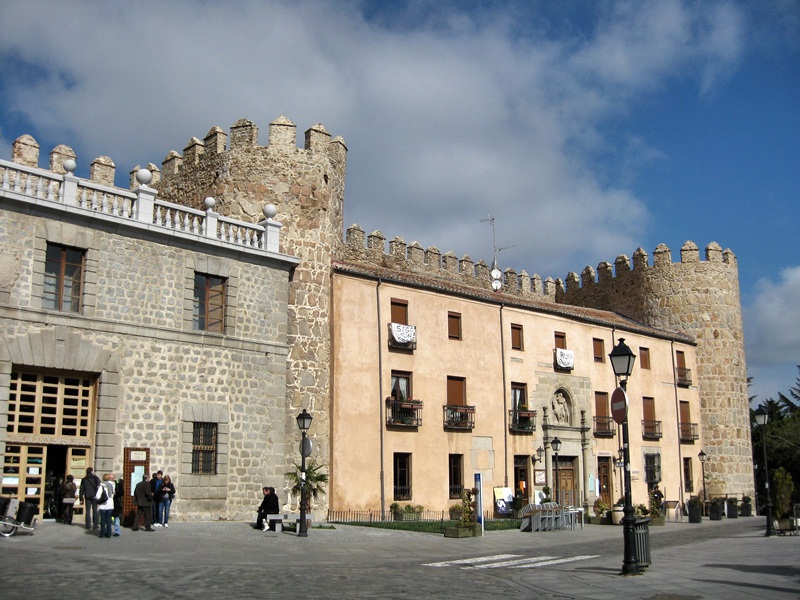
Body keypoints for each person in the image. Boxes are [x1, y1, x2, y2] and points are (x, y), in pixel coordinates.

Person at [95, 473, 115, 538]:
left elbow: (97, 496)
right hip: (110, 505)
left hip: (103, 505)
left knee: (103, 520)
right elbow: (113, 495)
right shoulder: (112, 485)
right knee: (109, 519)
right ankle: (108, 533)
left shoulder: (102, 486)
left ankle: (102, 533)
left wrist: (97, 499)